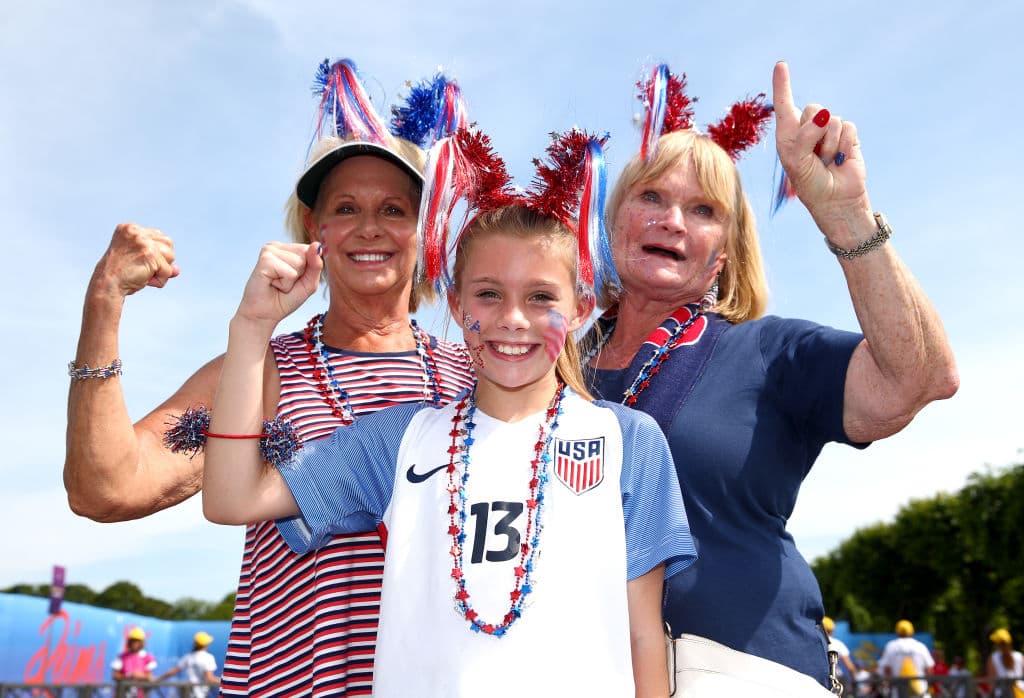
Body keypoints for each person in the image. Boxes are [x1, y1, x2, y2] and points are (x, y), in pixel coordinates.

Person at [201, 129, 697, 697]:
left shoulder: (629, 440)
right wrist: (251, 327)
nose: (514, 318)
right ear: (457, 305)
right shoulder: (400, 439)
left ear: (582, 308)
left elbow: (642, 637)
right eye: (488, 294)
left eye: (541, 297)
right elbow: (231, 499)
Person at [63, 59, 474, 695]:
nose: (370, 226)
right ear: (317, 231)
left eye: (395, 208)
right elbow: (108, 488)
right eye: (346, 207)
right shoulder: (260, 371)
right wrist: (104, 305)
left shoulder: (477, 375)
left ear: (425, 229)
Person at [584, 60, 958, 696]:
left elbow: (921, 377)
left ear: (723, 253)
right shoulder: (553, 370)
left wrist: (846, 213)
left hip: (746, 672)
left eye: (701, 210)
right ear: (610, 219)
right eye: (651, 197)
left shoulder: (766, 351)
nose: (672, 220)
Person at [878, 620, 935, 696]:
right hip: (921, 690)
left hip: (899, 691)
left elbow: (886, 670)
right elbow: (929, 670)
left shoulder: (891, 646)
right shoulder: (920, 646)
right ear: (912, 632)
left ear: (897, 632)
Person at [157, 631, 219, 698]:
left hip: (188, 693)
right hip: (201, 694)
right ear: (206, 644)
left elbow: (173, 671)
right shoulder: (208, 658)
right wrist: (223, 681)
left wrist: (159, 679)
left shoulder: (188, 657)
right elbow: (210, 678)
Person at [111, 627, 156, 696]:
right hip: (123, 694)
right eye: (133, 641)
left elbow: (149, 677)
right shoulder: (121, 657)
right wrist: (129, 675)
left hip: (140, 694)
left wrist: (142, 676)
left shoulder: (148, 658)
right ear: (129, 642)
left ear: (142, 643)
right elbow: (115, 676)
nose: (134, 643)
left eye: (137, 641)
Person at [986, 628, 1024, 698]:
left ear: (996, 643)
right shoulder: (1019, 656)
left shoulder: (993, 658)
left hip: (1002, 693)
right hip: (1020, 693)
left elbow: (991, 682)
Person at [824, 616, 858, 683]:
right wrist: (855, 679)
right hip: (835, 679)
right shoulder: (837, 644)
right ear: (832, 630)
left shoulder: (812, 643)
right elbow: (850, 667)